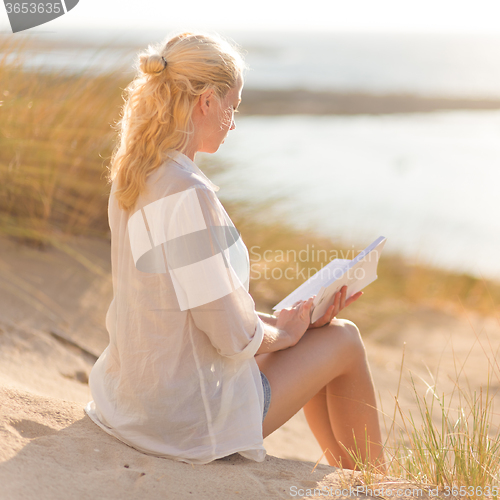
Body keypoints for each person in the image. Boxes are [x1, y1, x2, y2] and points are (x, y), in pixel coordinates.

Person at [85, 31, 385, 471]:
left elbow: (194, 307)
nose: (232, 120)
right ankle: (380, 482)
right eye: (232, 106)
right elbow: (226, 333)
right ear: (206, 101)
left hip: (133, 401)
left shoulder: (136, 174)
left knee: (322, 332)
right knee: (344, 338)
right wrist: (284, 336)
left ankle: (353, 474)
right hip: (182, 420)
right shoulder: (187, 193)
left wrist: (294, 324)